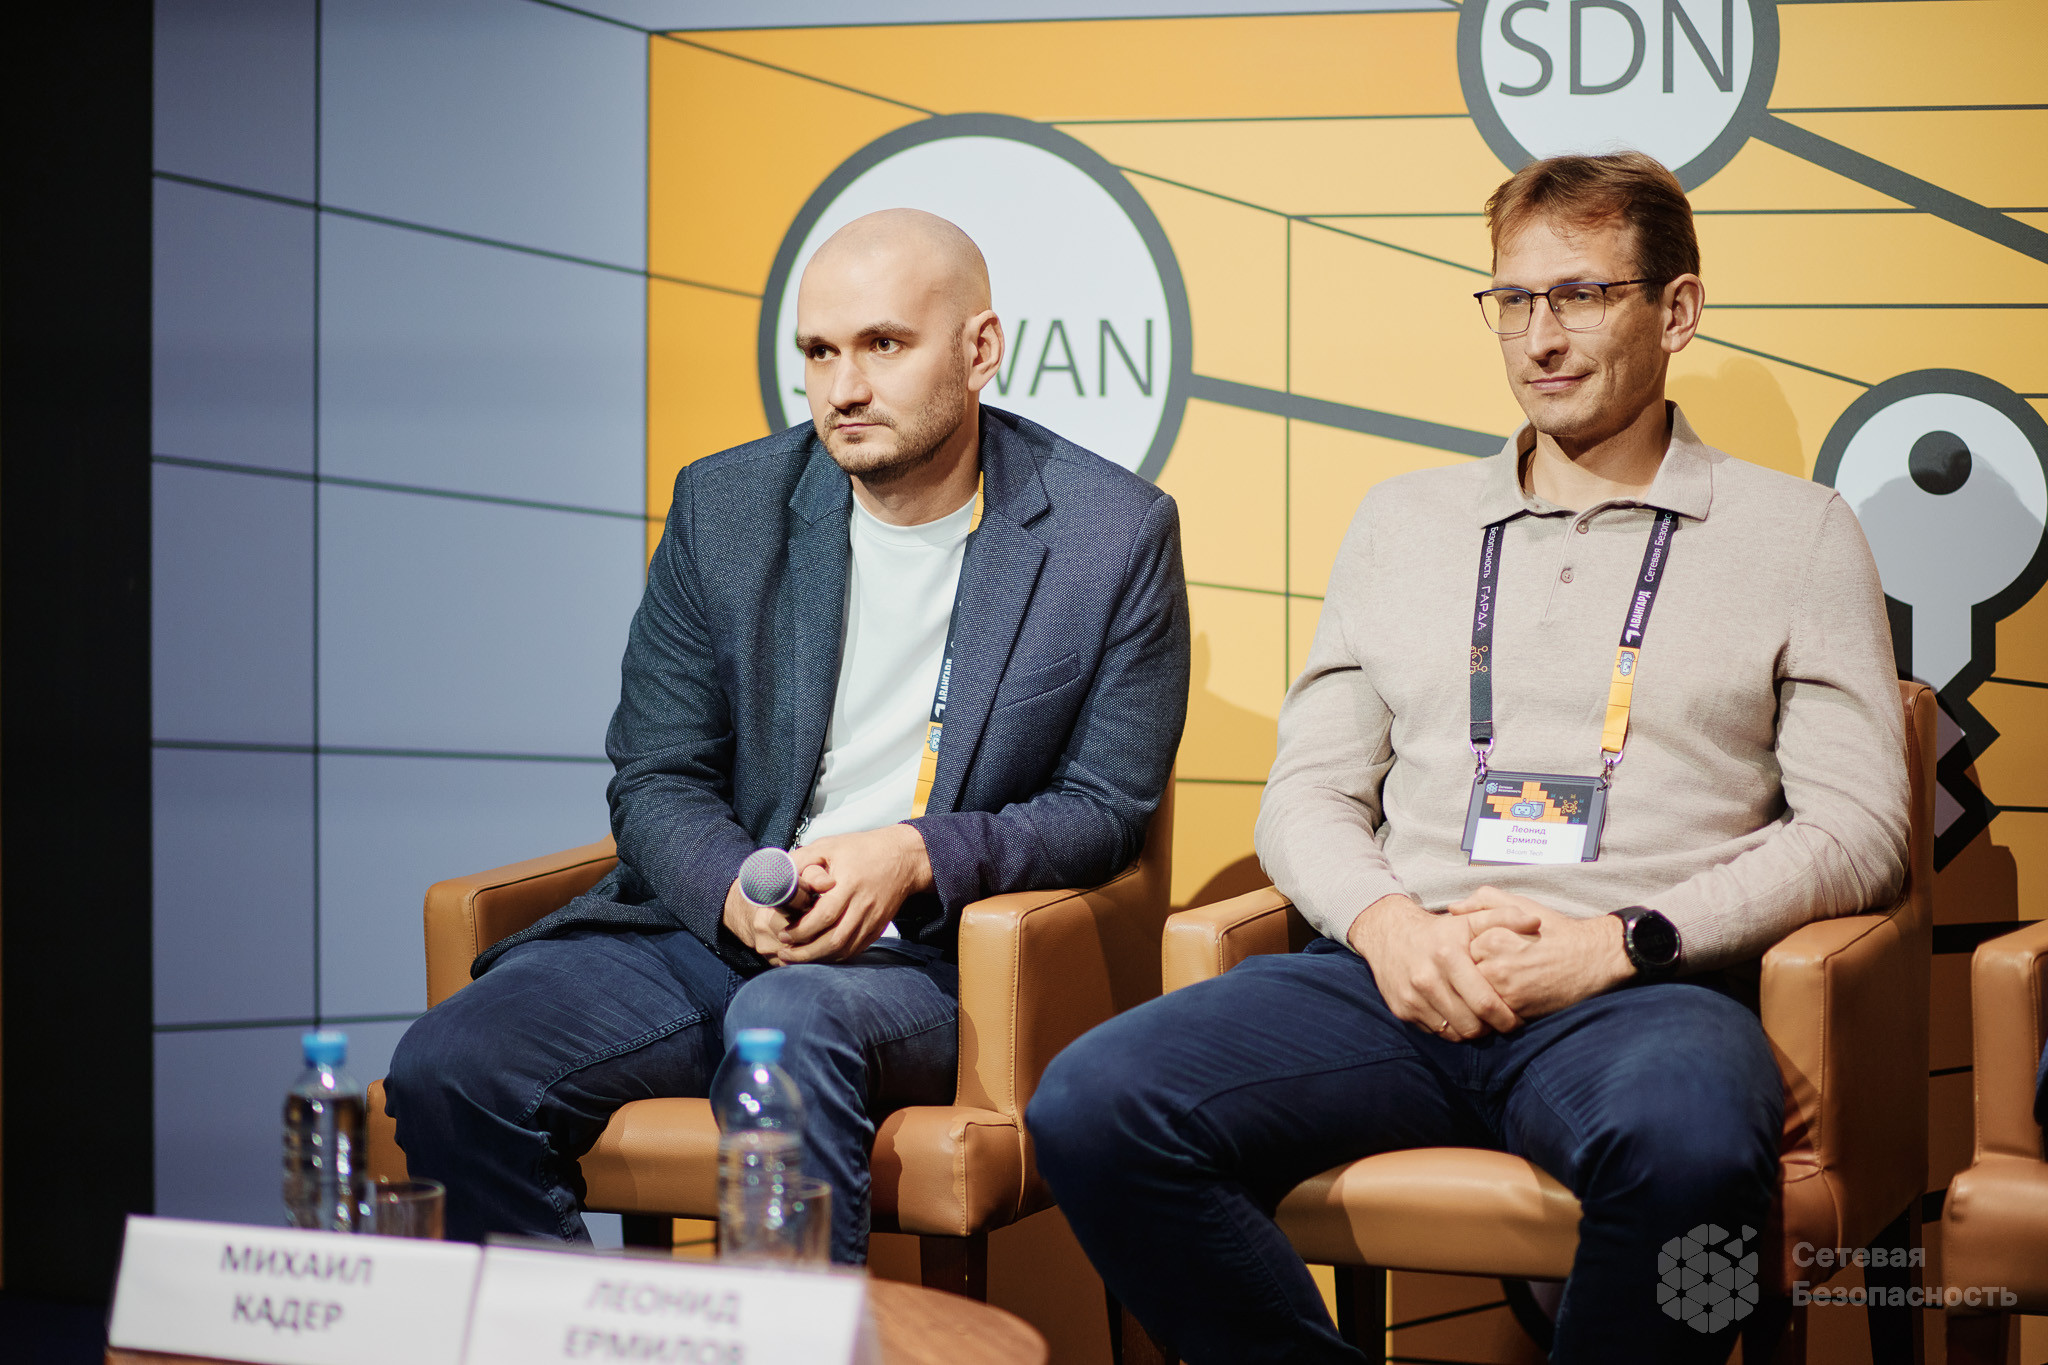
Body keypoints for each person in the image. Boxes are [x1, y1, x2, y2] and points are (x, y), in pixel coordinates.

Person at [1030, 152, 1908, 1363]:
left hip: (1637, 993)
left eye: (1581, 296)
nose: (1538, 338)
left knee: (1695, 1155)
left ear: (1676, 311)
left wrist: (1619, 943)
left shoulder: (1795, 533)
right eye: (1512, 300)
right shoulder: (1401, 523)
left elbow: (1859, 831)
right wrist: (1389, 927)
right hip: (1391, 979)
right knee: (1092, 1105)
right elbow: (1307, 793)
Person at [387, 208, 1189, 1263]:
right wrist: (732, 889)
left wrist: (915, 854)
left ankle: (793, 1337)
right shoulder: (724, 507)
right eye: (818, 351)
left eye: (883, 345)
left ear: (980, 348)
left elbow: (1104, 810)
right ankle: (589, 1333)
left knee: (788, 1028)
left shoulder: (1109, 532)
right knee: (451, 1065)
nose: (842, 387)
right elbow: (656, 773)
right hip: (711, 932)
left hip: (926, 959)